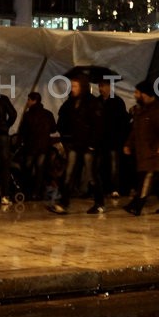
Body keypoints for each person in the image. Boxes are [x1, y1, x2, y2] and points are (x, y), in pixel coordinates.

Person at [122, 80, 159, 216]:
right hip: (144, 154)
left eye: (137, 92)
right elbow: (135, 131)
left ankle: (136, 205)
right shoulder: (141, 110)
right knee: (158, 182)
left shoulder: (157, 110)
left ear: (145, 94)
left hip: (154, 155)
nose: (135, 95)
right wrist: (128, 144)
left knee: (146, 180)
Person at [55, 75, 103, 214]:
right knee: (69, 173)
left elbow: (98, 125)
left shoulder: (92, 103)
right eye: (72, 86)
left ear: (82, 87)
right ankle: (64, 203)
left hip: (89, 144)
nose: (73, 88)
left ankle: (99, 203)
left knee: (91, 174)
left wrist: (93, 144)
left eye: (75, 86)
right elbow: (65, 120)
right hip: (76, 143)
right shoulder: (72, 102)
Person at [17, 92, 56, 201]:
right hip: (43, 146)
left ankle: (27, 192)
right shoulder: (48, 114)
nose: (27, 102)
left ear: (34, 100)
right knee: (40, 169)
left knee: (28, 169)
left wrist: (19, 143)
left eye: (29, 100)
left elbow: (22, 131)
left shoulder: (28, 115)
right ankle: (37, 193)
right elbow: (53, 129)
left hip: (30, 146)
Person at [97, 78, 130, 202]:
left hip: (114, 140)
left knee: (114, 165)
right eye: (100, 86)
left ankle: (115, 188)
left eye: (103, 86)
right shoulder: (98, 102)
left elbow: (122, 122)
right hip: (102, 140)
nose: (101, 89)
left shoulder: (117, 101)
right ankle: (104, 188)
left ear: (109, 87)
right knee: (102, 165)